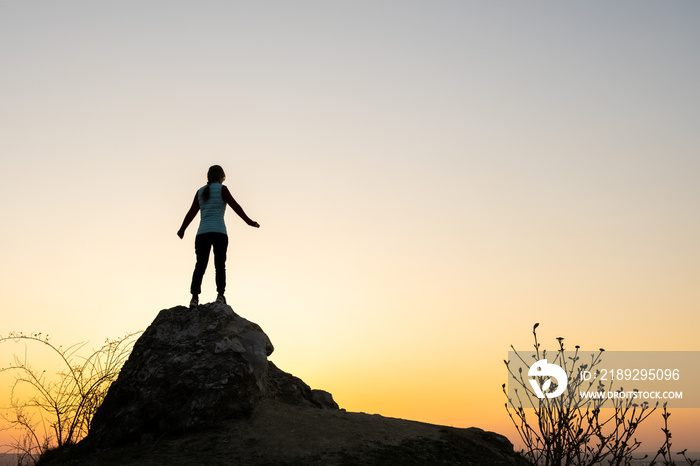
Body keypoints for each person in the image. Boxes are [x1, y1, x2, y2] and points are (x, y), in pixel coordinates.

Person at [177, 165, 260, 308]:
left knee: (200, 266)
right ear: (221, 177)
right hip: (219, 233)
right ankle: (220, 296)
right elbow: (236, 206)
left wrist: (182, 229)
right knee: (220, 265)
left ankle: (194, 298)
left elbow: (191, 212)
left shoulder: (201, 191)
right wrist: (249, 222)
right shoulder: (222, 189)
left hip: (202, 234)